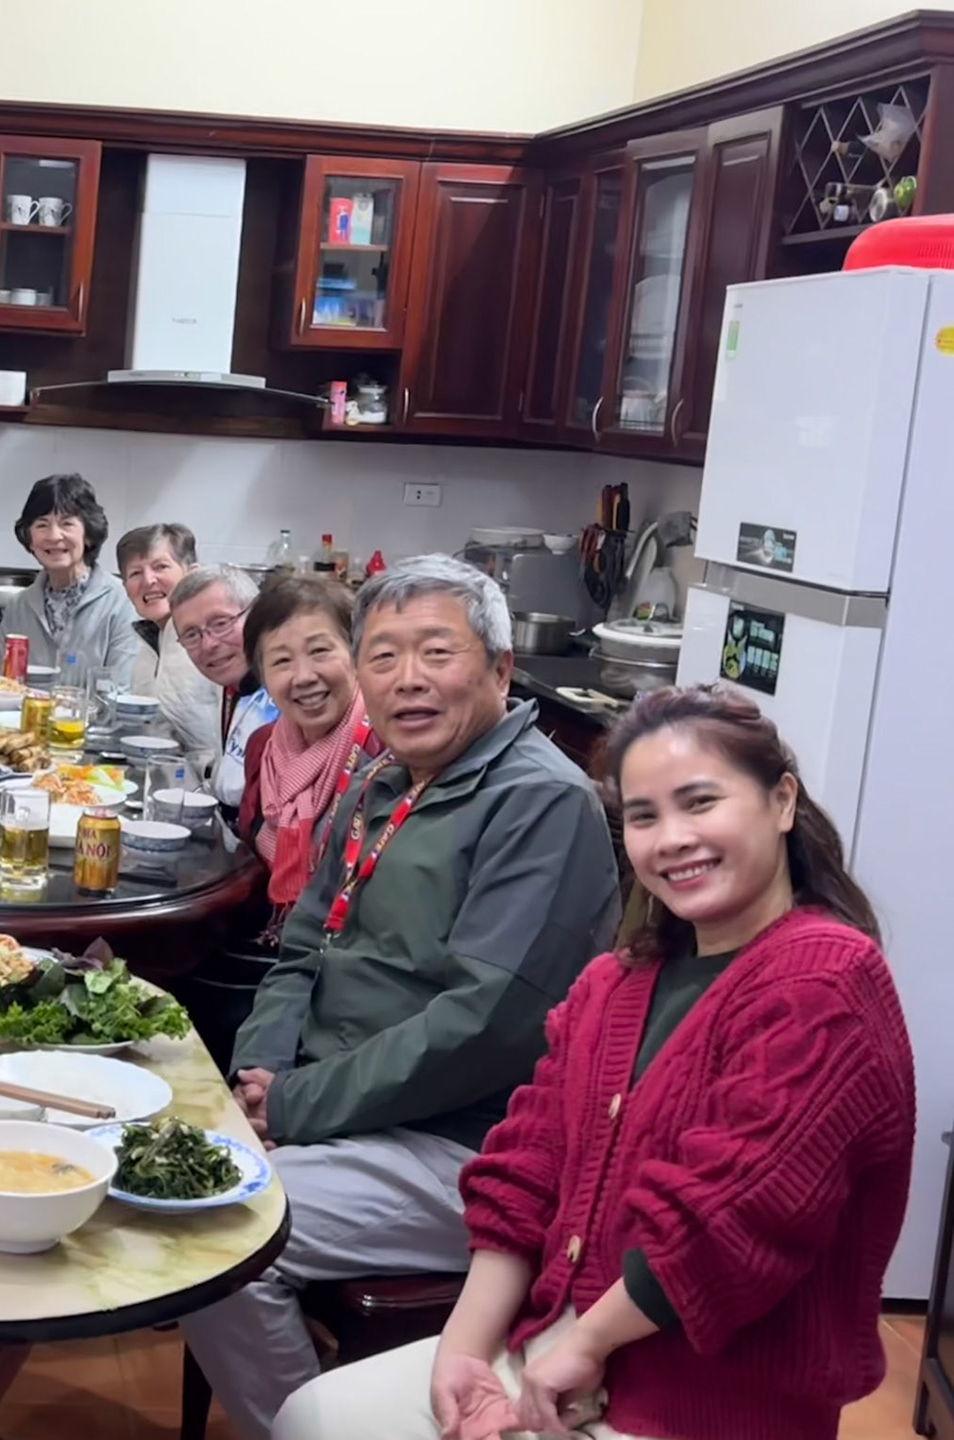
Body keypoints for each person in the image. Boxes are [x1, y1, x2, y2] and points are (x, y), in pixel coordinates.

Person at [274, 684, 915, 1440]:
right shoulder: (613, 983)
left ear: (781, 801)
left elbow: (726, 1223)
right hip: (561, 1350)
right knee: (313, 1414)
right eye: (644, 816)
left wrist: (585, 1344)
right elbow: (525, 1173)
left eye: (700, 802)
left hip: (708, 1401)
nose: (672, 839)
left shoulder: (825, 977)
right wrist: (465, 1351)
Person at [179, 554, 622, 1440]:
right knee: (158, 1159)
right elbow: (303, 945)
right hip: (343, 1111)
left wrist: (295, 1104)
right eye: (382, 656)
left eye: (436, 652)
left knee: (208, 1232)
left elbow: (483, 1025)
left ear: (501, 669)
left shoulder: (541, 801)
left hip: (460, 1145)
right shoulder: (384, 780)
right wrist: (261, 1073)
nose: (407, 679)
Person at [236, 574, 376, 937]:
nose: (303, 677)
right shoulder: (263, 746)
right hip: (272, 938)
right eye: (281, 661)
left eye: (319, 652)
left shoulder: (387, 748)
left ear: (357, 654)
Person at [0, 473, 140, 687]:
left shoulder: (122, 602)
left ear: (88, 534)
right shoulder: (18, 607)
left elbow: (122, 689)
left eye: (67, 524)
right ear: (29, 538)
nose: (54, 536)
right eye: (42, 525)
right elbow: (5, 687)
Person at [170, 564, 277, 809]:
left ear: (256, 616)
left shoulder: (286, 697)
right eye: (191, 634)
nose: (209, 644)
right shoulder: (231, 688)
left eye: (220, 623)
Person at [116, 523, 221, 774]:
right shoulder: (146, 642)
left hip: (214, 785)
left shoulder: (216, 641)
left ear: (192, 574)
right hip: (163, 779)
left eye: (161, 567)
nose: (148, 580)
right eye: (135, 573)